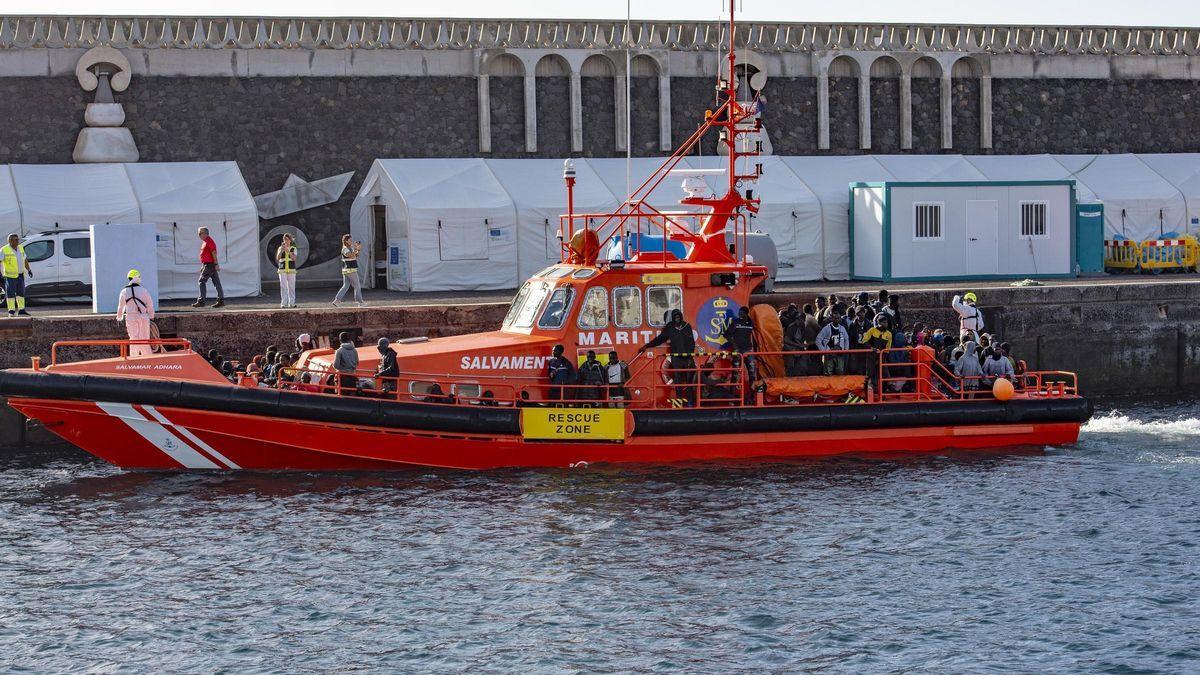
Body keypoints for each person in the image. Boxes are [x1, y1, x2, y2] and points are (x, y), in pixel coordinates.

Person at [639, 309, 699, 406]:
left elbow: (691, 342)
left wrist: (690, 356)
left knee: (689, 381)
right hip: (676, 358)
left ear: (681, 317)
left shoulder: (687, 326)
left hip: (687, 358)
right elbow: (660, 339)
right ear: (672, 318)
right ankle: (680, 402)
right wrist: (647, 346)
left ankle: (690, 402)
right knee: (678, 381)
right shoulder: (670, 327)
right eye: (675, 317)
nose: (677, 319)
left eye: (678, 317)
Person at [116, 269, 155, 357]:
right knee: (144, 338)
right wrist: (151, 315)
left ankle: (134, 358)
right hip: (143, 317)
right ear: (136, 278)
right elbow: (150, 304)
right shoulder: (143, 290)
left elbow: (121, 306)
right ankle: (148, 358)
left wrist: (119, 317)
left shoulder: (124, 291)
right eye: (139, 277)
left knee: (133, 339)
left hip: (130, 317)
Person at [192, 227, 225, 308]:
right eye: (198, 233)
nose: (199, 235)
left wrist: (216, 264)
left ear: (205, 233)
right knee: (216, 282)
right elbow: (206, 255)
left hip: (209, 265)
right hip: (208, 264)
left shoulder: (209, 241)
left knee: (201, 281)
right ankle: (221, 300)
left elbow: (214, 252)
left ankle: (201, 301)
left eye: (200, 233)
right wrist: (203, 265)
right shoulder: (206, 241)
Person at [723, 306, 757, 383]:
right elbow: (726, 334)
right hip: (737, 350)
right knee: (735, 373)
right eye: (739, 313)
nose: (739, 315)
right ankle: (732, 393)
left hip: (748, 349)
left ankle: (753, 393)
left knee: (752, 372)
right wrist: (734, 344)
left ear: (746, 314)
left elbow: (755, 335)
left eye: (741, 314)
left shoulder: (751, 322)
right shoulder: (736, 322)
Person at [1, 233, 31, 317]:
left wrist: (29, 269)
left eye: (18, 239)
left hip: (20, 275)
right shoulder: (4, 249)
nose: (18, 241)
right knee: (10, 293)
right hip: (10, 276)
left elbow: (25, 259)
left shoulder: (20, 247)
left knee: (21, 293)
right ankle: (11, 311)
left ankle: (21, 310)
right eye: (16, 240)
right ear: (10, 240)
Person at [332, 234, 364, 307]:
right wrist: (356, 249)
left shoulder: (350, 248)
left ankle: (337, 301)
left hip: (348, 270)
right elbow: (351, 255)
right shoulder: (345, 249)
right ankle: (360, 302)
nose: (352, 241)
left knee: (346, 286)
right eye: (350, 240)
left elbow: (356, 256)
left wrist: (358, 249)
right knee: (357, 286)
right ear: (346, 241)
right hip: (350, 270)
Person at [816, 308, 850, 375]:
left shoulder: (842, 328)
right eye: (835, 318)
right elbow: (818, 340)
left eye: (838, 318)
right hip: (829, 355)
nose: (837, 319)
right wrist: (824, 351)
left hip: (839, 354)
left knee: (840, 372)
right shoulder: (826, 328)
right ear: (832, 319)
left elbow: (846, 340)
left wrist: (845, 350)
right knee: (828, 373)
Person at [275, 232, 299, 309]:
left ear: (290, 240)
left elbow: (294, 258)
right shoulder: (280, 248)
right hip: (282, 269)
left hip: (291, 269)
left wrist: (288, 251)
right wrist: (282, 250)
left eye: (288, 239)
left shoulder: (293, 248)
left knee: (291, 286)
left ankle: (291, 303)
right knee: (283, 286)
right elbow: (278, 258)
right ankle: (283, 303)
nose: (286, 241)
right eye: (285, 239)